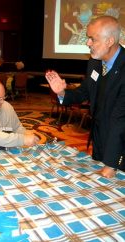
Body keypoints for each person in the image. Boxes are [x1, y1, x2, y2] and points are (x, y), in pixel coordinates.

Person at [45, 15, 125, 178]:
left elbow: (120, 120)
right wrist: (62, 92)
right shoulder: (95, 62)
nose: (87, 43)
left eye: (92, 39)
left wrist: (110, 164)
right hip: (99, 138)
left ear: (109, 41)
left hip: (120, 146)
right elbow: (84, 92)